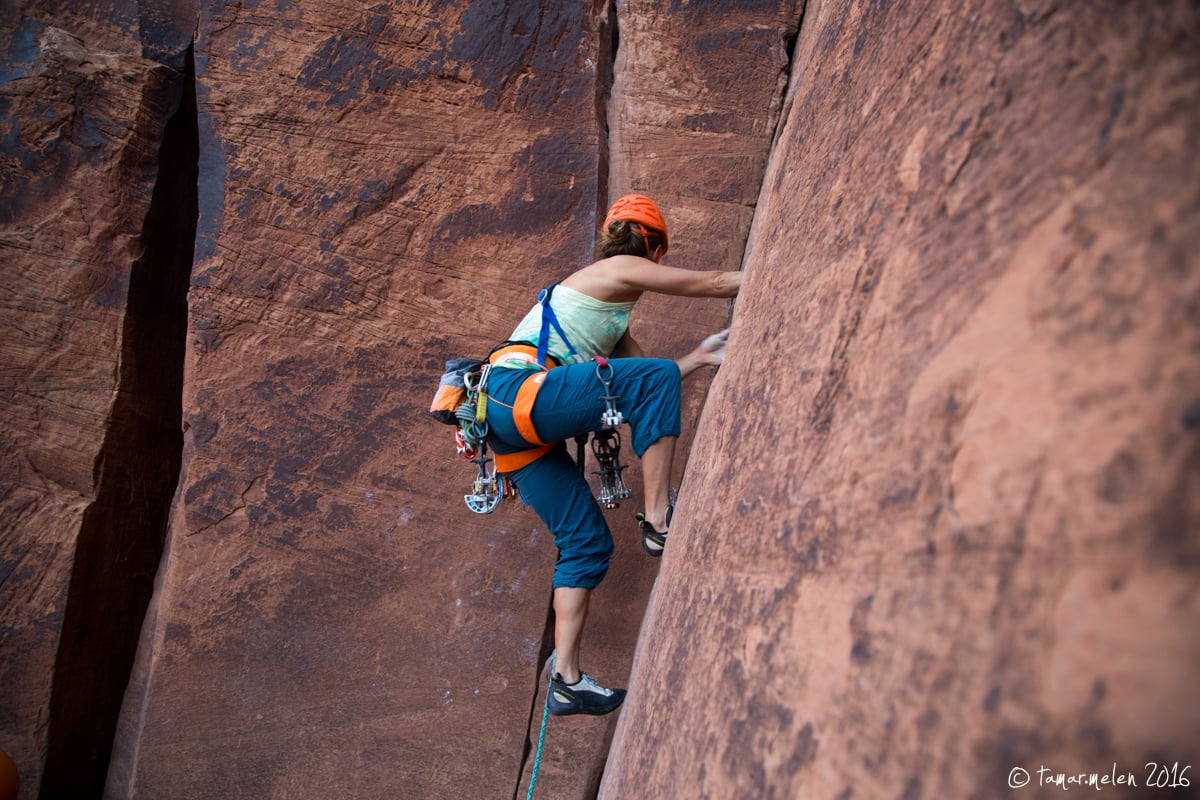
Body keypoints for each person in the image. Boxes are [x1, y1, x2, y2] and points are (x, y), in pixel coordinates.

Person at [483, 194, 741, 715]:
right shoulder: (618, 268)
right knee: (652, 382)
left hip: (506, 423)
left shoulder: (610, 317)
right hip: (519, 393)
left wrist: (699, 357)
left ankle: (566, 679)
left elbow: (648, 382)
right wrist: (775, 268)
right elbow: (714, 285)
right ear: (653, 247)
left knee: (585, 544)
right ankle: (660, 519)